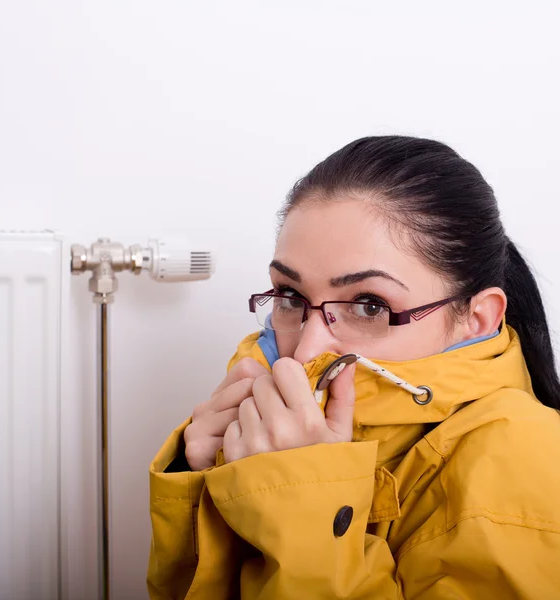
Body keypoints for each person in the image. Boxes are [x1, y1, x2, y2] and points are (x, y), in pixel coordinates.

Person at [147, 136, 560, 599]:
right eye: (289, 296)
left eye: (369, 305)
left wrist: (301, 503)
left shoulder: (528, 463)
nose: (305, 351)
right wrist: (206, 481)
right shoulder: (263, 427)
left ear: (477, 318)